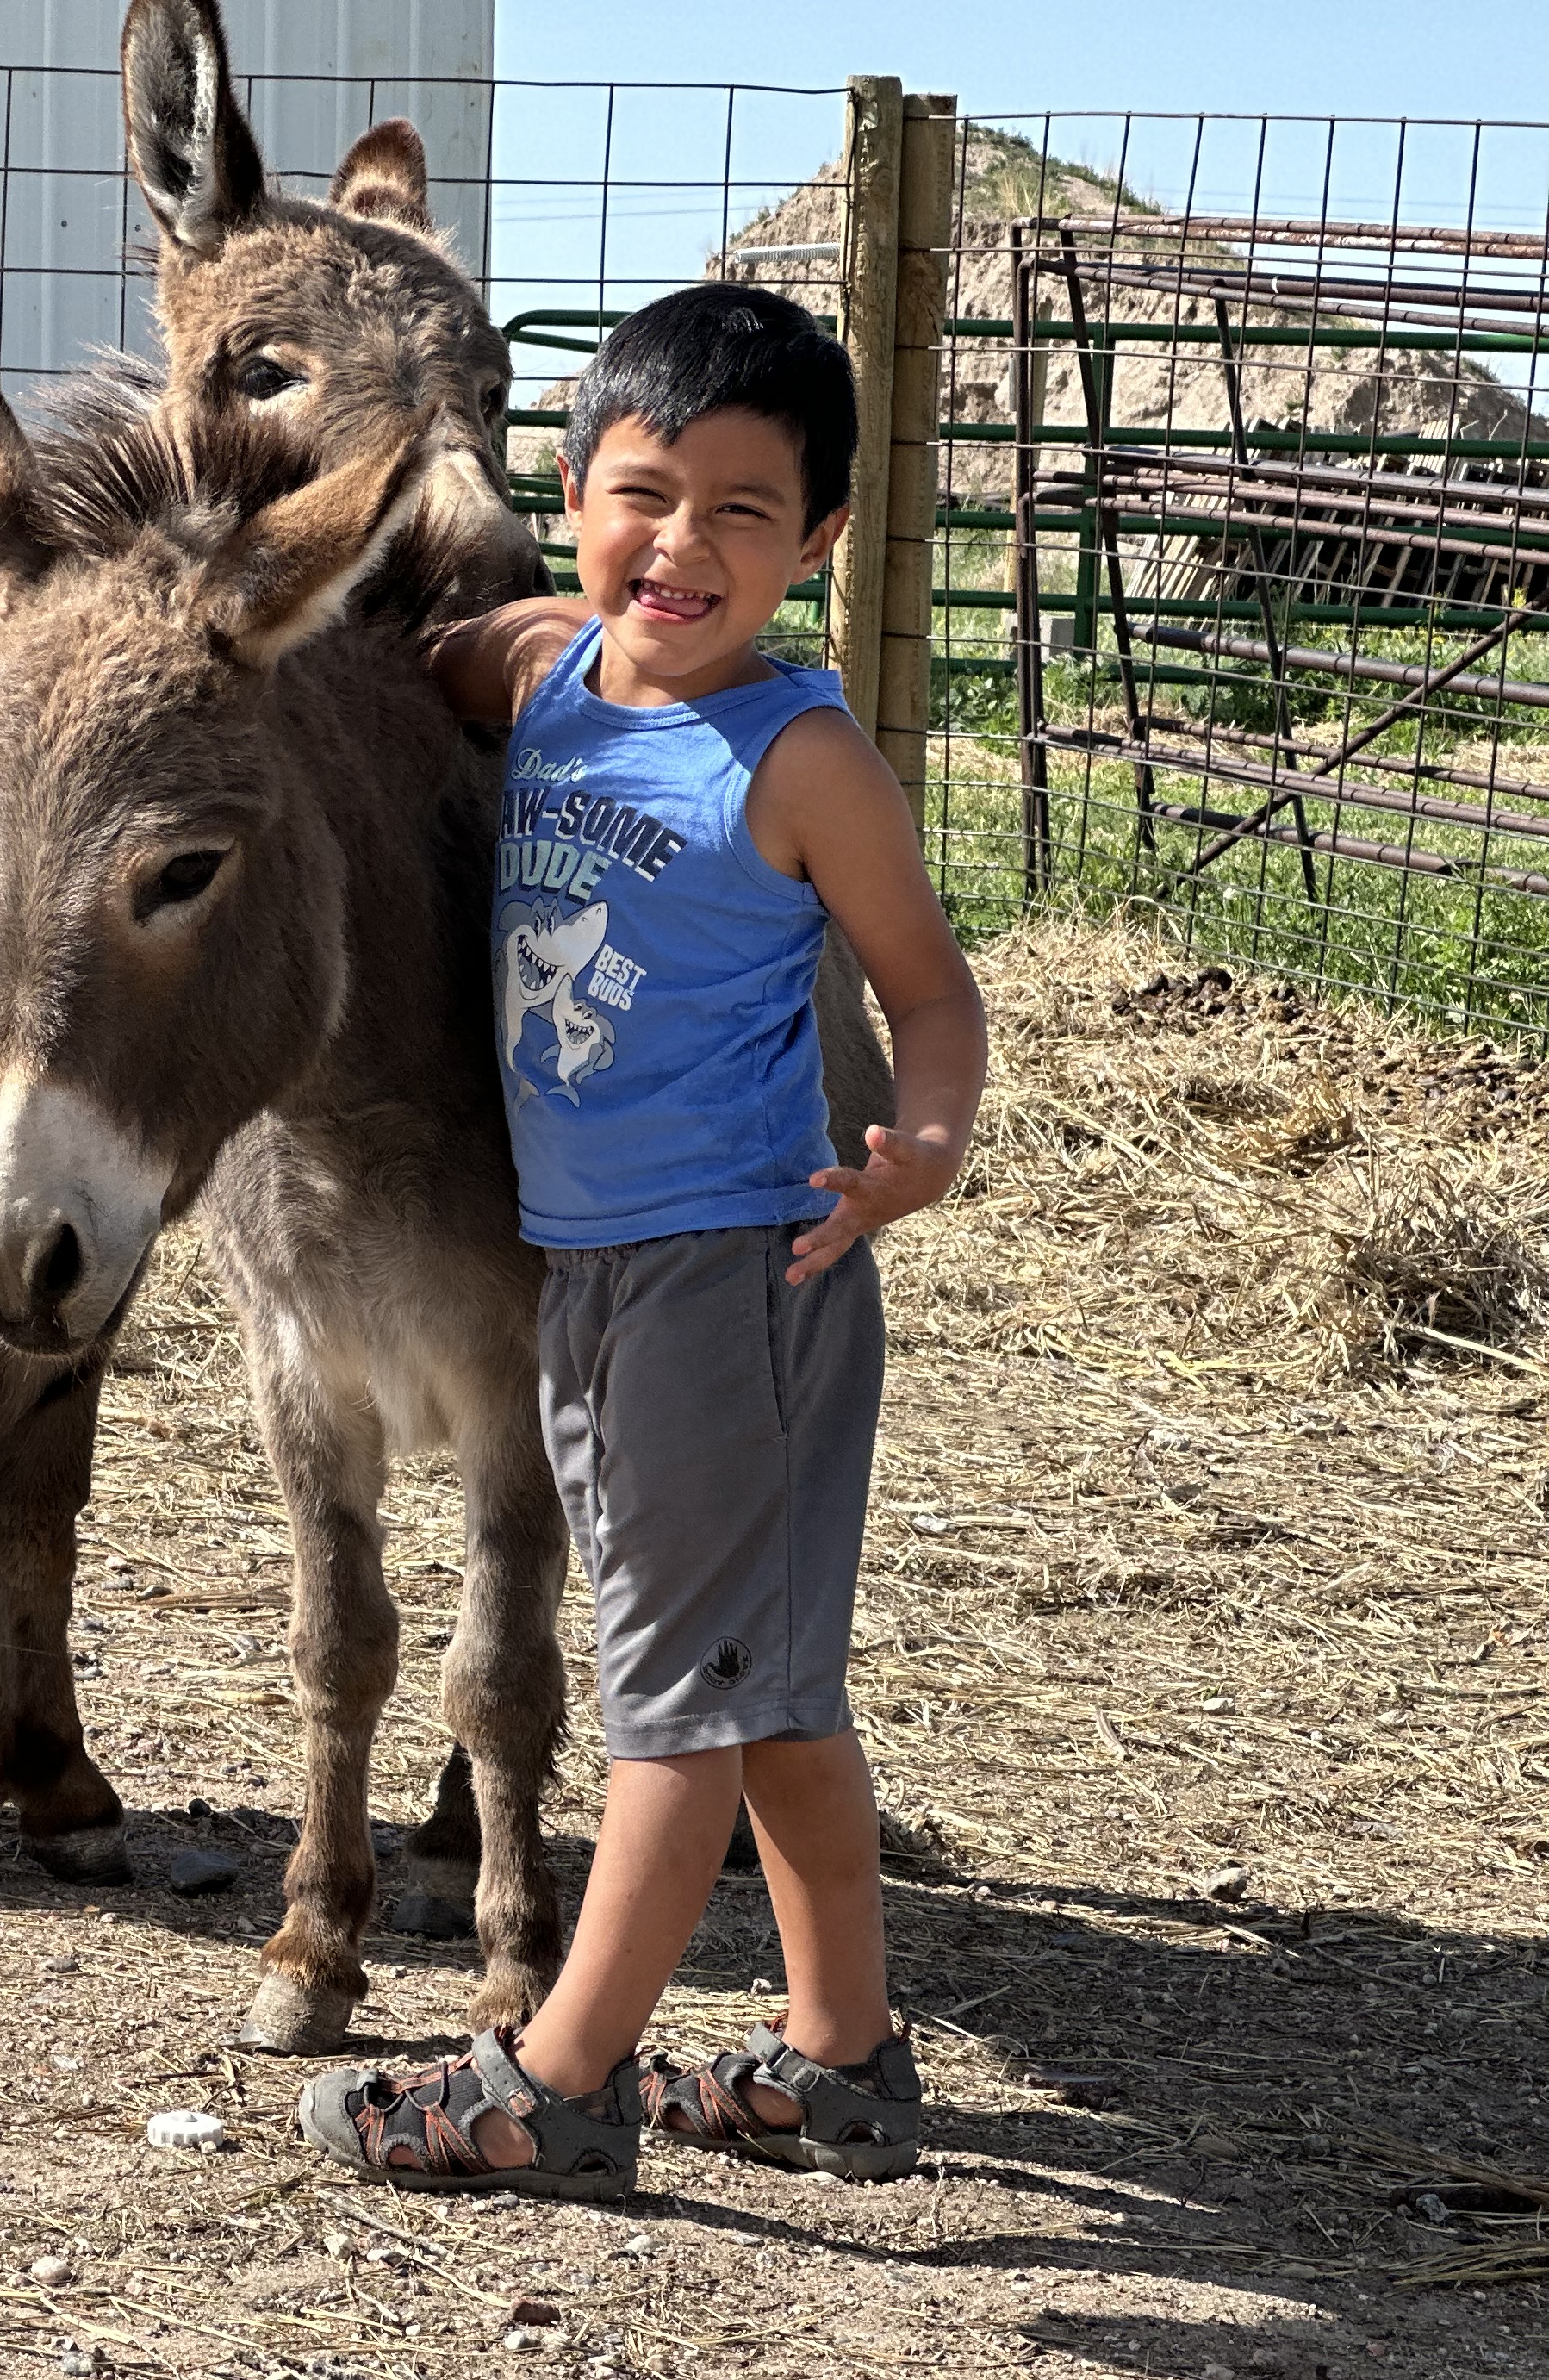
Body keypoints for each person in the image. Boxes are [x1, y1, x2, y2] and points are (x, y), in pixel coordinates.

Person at [295, 283, 990, 2197]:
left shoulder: (800, 757)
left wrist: (923, 1147)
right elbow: (418, 665)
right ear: (572, 492)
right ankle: (839, 2061)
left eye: (741, 513)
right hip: (591, 1273)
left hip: (738, 1276)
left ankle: (556, 2080)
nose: (680, 547)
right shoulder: (548, 674)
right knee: (768, 1692)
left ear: (819, 539)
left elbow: (932, 992)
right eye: (643, 496)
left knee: (674, 1714)